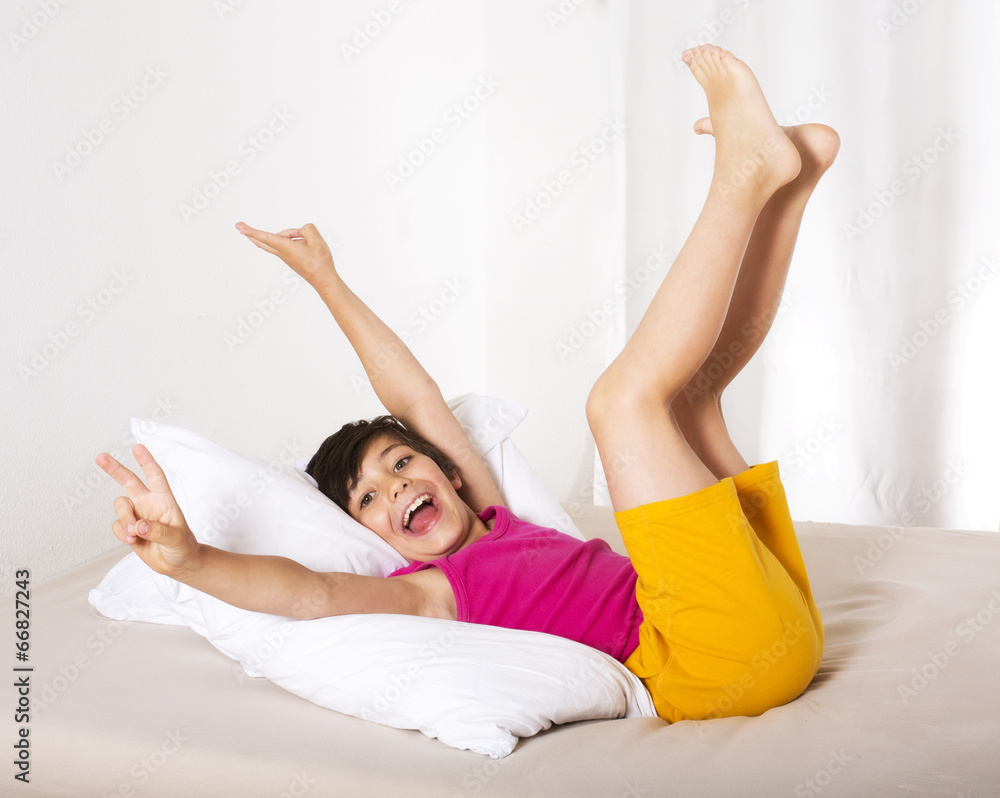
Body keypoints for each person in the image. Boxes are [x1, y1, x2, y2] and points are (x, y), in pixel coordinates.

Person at [96, 44, 838, 723]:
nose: (393, 489)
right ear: (365, 536)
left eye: (400, 463)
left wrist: (327, 280)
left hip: (771, 615)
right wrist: (192, 561)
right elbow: (311, 594)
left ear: (449, 472)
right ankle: (744, 175)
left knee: (691, 403)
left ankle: (786, 188)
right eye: (367, 499)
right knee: (620, 405)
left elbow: (414, 398)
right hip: (714, 660)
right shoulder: (432, 591)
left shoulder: (496, 516)